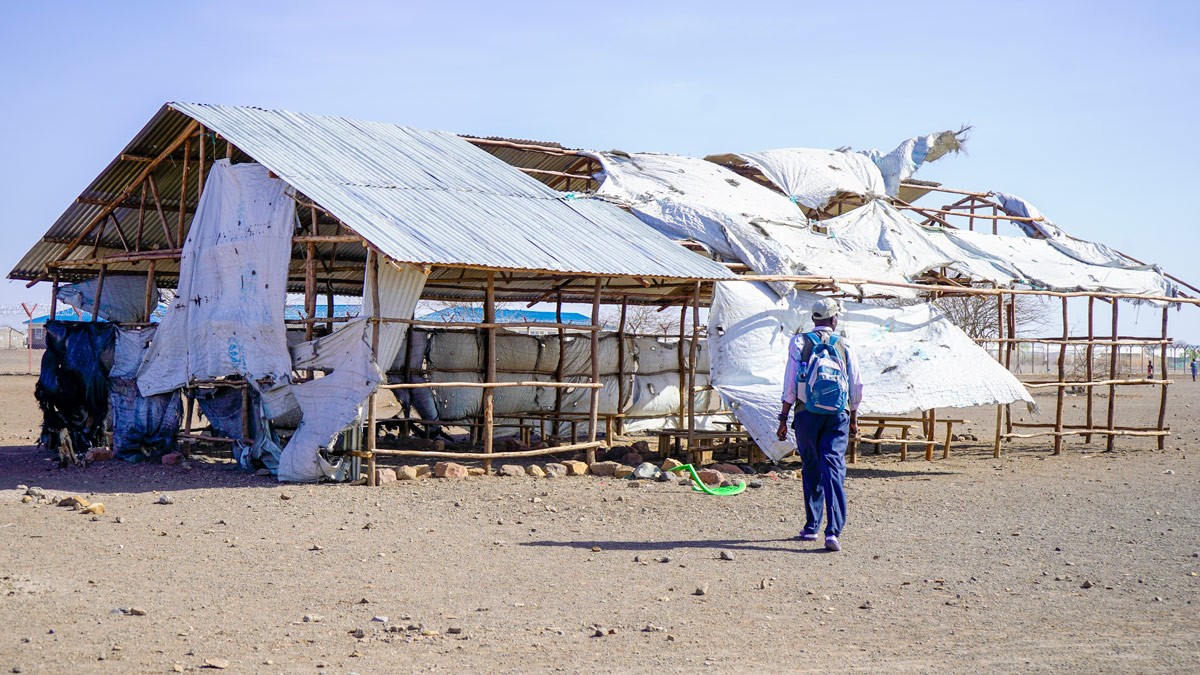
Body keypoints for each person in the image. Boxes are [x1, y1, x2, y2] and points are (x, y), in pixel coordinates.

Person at [776, 298, 862, 552]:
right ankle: (833, 531)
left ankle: (812, 526)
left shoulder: (799, 342)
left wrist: (783, 417)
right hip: (838, 414)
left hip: (806, 413)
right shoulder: (845, 344)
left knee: (811, 466)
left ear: (813, 319)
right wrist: (853, 417)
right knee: (833, 466)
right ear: (834, 319)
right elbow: (856, 385)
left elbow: (790, 383)